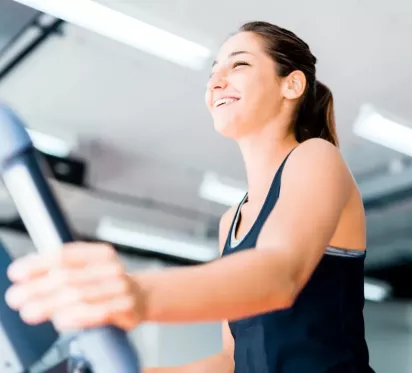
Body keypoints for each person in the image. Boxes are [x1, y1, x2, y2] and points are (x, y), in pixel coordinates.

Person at [5, 21, 374, 372]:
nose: (216, 81)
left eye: (239, 64)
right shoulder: (232, 221)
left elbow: (280, 276)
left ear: (291, 85)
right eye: (213, 72)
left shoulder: (316, 156)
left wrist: (136, 293)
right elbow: (231, 361)